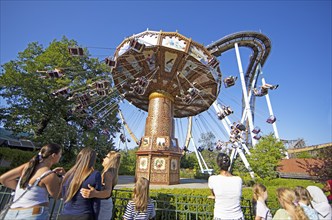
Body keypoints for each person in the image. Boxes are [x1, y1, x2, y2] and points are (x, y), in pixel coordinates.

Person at [0, 143, 65, 220]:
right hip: (34, 213)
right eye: (60, 154)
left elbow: (3, 179)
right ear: (54, 155)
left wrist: (23, 187)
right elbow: (58, 195)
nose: (60, 157)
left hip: (11, 213)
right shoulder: (48, 174)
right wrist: (63, 178)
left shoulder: (27, 166)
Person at [59, 147, 102, 220]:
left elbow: (64, 195)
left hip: (65, 214)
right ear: (93, 160)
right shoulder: (95, 175)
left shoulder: (68, 174)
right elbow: (96, 201)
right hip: (83, 214)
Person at [80, 151, 121, 220]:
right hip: (105, 203)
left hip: (103, 204)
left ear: (111, 160)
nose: (103, 158)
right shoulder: (109, 172)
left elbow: (107, 192)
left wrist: (94, 193)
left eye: (106, 157)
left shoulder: (108, 173)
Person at [208, 153, 244, 220]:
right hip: (238, 216)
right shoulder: (238, 180)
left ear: (218, 164)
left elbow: (213, 193)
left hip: (220, 216)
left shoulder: (213, 179)